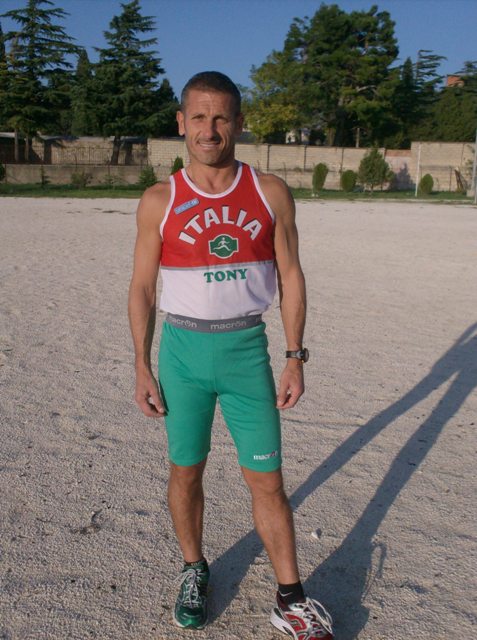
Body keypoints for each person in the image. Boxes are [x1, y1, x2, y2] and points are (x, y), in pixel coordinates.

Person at [128, 71, 334, 640]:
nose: (209, 129)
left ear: (239, 123)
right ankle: (194, 569)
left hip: (247, 354)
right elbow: (142, 286)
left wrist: (295, 356)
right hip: (183, 356)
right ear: (181, 123)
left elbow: (291, 276)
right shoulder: (159, 199)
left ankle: (290, 598)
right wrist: (141, 364)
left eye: (221, 117)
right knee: (185, 471)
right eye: (198, 117)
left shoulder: (270, 192)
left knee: (267, 480)